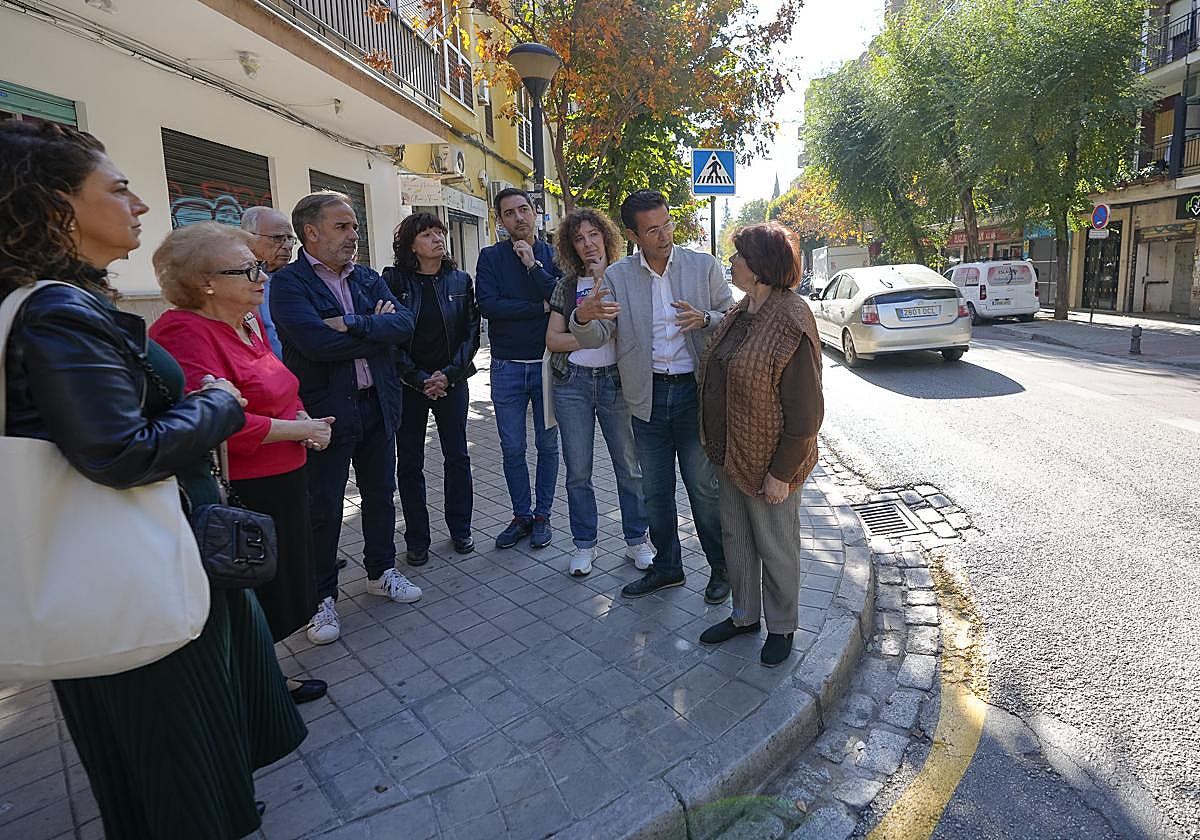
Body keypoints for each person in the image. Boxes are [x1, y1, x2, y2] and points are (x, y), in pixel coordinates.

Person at [0, 121, 306, 838]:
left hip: (146, 558)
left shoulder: (61, 304)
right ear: (53, 206)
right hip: (128, 573)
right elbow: (120, 453)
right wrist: (216, 405)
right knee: (177, 768)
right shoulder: (55, 315)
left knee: (185, 757)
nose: (140, 204)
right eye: (118, 188)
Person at [149, 221, 334, 704]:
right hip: (243, 489)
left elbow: (278, 387)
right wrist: (302, 430)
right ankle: (252, 688)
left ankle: (262, 676)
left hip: (283, 475)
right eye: (247, 268)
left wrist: (302, 418)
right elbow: (219, 420)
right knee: (248, 588)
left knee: (275, 585)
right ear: (204, 282)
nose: (263, 276)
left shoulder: (246, 323)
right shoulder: (183, 332)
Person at [269, 191, 418, 646]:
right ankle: (320, 599)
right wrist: (375, 330)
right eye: (342, 227)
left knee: (379, 495)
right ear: (310, 232)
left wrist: (349, 324)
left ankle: (380, 571)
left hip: (378, 404)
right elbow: (315, 344)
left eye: (354, 226)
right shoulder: (289, 284)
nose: (354, 236)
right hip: (325, 414)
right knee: (324, 507)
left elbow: (405, 325)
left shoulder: (369, 277)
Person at [571, 189, 733, 604]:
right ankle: (668, 567)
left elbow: (732, 319)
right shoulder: (618, 277)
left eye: (667, 225)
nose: (664, 236)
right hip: (645, 398)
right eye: (653, 230)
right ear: (632, 235)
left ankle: (721, 570)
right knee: (655, 491)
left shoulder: (703, 266)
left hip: (693, 394)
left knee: (702, 488)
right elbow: (599, 334)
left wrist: (706, 319)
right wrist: (582, 317)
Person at [696, 222, 824, 667]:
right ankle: (745, 615)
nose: (730, 263)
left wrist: (781, 474)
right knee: (737, 538)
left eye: (737, 257)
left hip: (771, 461)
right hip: (732, 454)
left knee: (775, 545)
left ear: (759, 267)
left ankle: (783, 626)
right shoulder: (744, 308)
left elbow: (806, 415)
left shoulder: (792, 318)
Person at [545, 209, 654, 577]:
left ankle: (637, 540)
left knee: (629, 467)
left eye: (593, 235)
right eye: (579, 238)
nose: (588, 243)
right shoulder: (565, 286)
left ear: (606, 238)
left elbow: (636, 333)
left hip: (615, 382)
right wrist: (595, 331)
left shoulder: (626, 279)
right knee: (578, 470)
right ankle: (583, 544)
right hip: (573, 383)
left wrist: (595, 332)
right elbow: (552, 340)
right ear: (571, 247)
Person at [383, 213, 480, 566]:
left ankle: (461, 528)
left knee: (458, 457)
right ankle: (417, 539)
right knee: (409, 463)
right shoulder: (393, 280)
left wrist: (448, 375)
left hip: (451, 383)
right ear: (411, 244)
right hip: (409, 386)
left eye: (440, 232)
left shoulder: (459, 279)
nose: (438, 238)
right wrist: (418, 377)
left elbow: (472, 333)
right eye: (427, 234)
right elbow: (389, 336)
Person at [476, 187, 563, 550]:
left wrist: (533, 266)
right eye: (510, 213)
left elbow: (562, 297)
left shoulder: (554, 255)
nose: (519, 218)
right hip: (506, 366)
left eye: (524, 210)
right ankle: (520, 515)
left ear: (534, 212)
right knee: (512, 447)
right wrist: (539, 309)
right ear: (501, 220)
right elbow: (489, 306)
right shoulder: (490, 258)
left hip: (546, 365)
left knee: (547, 446)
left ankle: (543, 515)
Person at [241, 205, 297, 357]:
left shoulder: (296, 279)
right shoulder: (233, 280)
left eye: (290, 239)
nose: (287, 246)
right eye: (277, 238)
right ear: (249, 237)